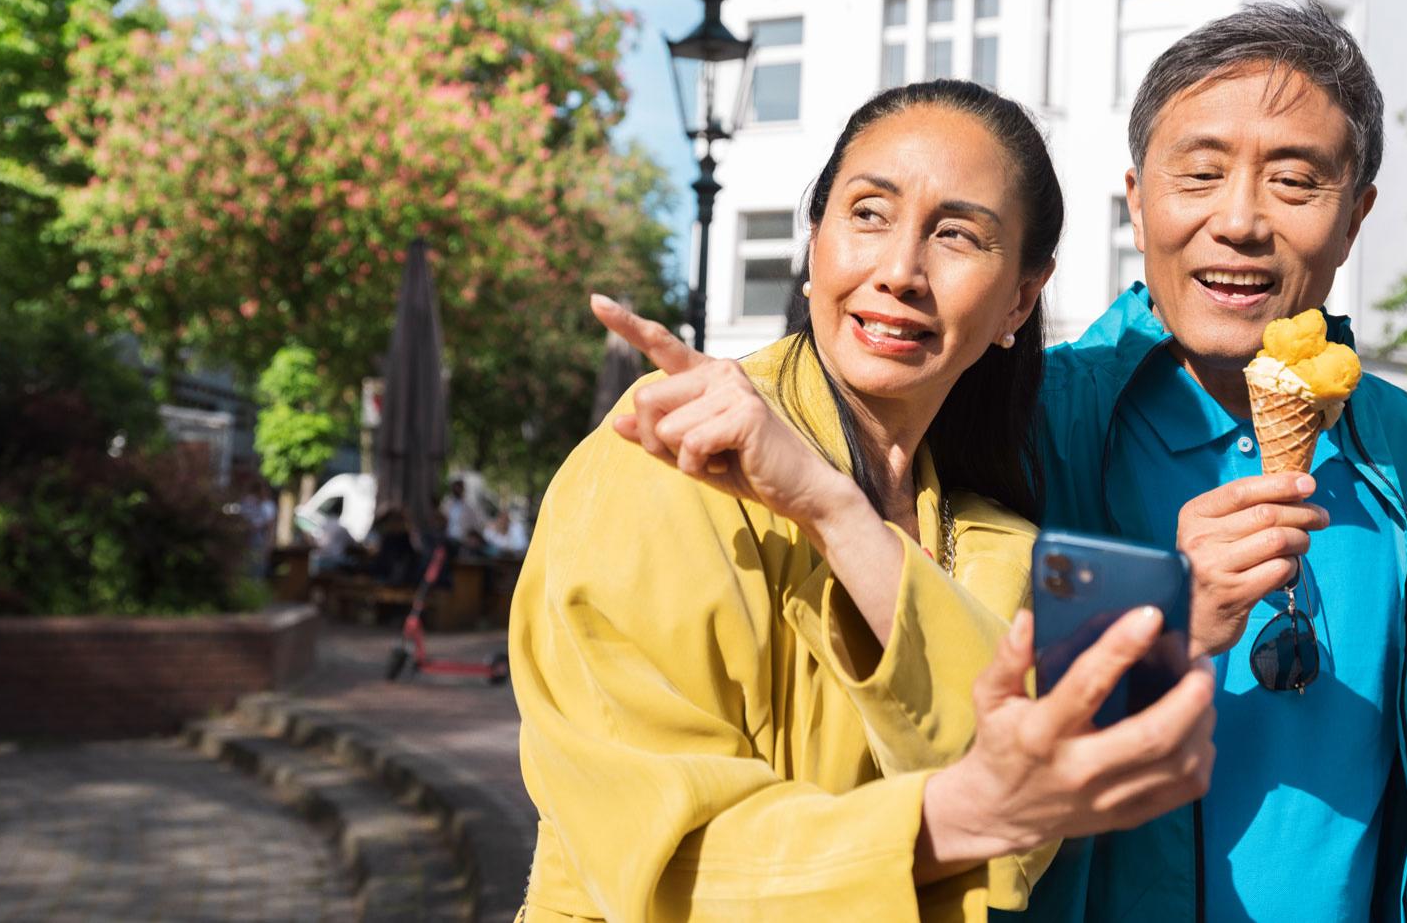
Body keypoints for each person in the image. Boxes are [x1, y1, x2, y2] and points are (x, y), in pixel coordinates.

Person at [511, 81, 1226, 922]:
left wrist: (835, 510)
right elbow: (659, 861)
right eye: (868, 213)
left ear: (1020, 299)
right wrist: (955, 816)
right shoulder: (660, 461)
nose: (899, 272)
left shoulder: (992, 538)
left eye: (957, 235)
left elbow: (1026, 820)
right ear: (813, 242)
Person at [1012, 3, 1407, 922]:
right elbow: (958, 735)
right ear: (1137, 197)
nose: (1239, 221)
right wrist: (1162, 623)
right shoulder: (1036, 420)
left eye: (1294, 182)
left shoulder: (1396, 436)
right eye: (1198, 172)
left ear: (1354, 220)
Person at [442, 479, 477, 547]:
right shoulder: (447, 503)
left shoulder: (468, 505)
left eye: (459, 488)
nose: (457, 490)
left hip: (463, 539)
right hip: (448, 538)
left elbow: (474, 523)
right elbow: (442, 519)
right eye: (455, 488)